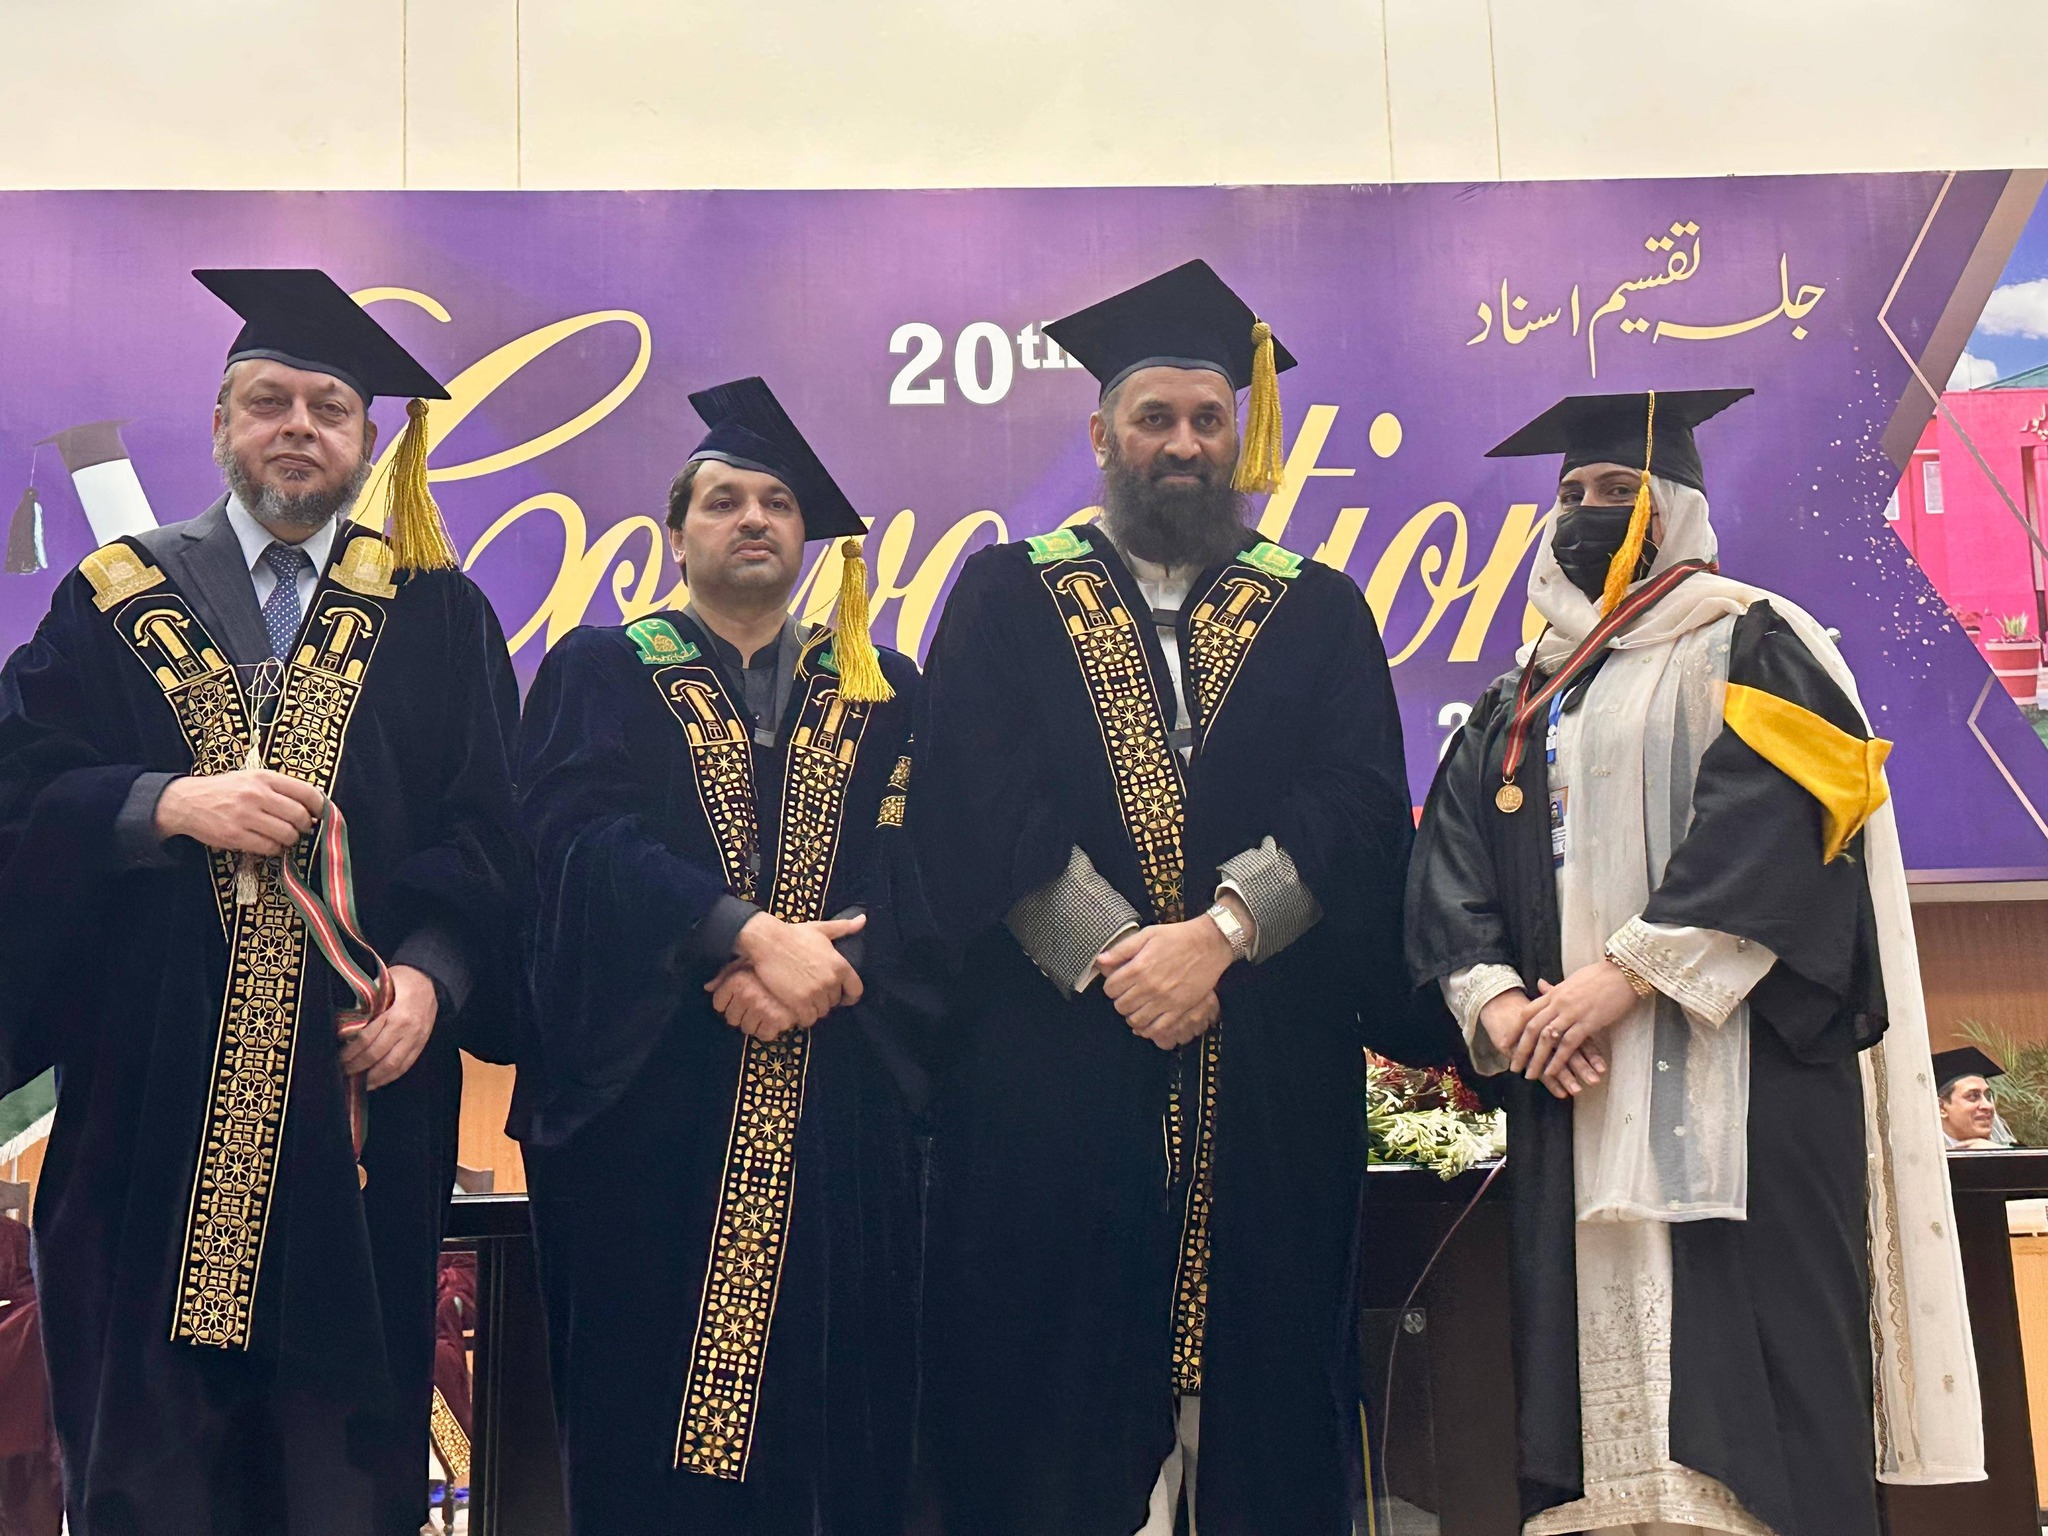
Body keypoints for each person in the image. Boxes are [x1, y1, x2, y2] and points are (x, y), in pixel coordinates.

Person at [914, 260, 1442, 1536]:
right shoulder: (1004, 593)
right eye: (1153, 419)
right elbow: (975, 804)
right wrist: (1119, 957)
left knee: (1266, 1392)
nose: (1184, 445)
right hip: (1052, 1075)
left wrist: (1218, 936)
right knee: (1049, 1403)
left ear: (1238, 436)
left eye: (1209, 420)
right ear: (1101, 435)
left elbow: (1357, 804)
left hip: (1266, 1076)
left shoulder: (1318, 609)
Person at [0, 269, 526, 1534]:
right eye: (270, 401)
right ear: (221, 423)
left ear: (367, 442)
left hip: (362, 1101)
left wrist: (433, 980)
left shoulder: (437, 614)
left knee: (342, 1462)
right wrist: (163, 804)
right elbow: (21, 786)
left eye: (329, 409)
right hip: (152, 1100)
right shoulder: (114, 597)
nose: (299, 427)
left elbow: (493, 834)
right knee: (152, 1463)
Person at [1407, 388, 1983, 1536]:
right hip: (1572, 1090)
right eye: (1571, 493)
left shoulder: (1754, 639)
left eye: (1615, 490)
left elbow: (1778, 825)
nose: (1585, 511)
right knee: (1588, 1432)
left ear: (1671, 504)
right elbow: (1449, 868)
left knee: (1764, 1392)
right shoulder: (1520, 698)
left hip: (1745, 1081)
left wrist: (1618, 978)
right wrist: (1504, 1005)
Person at [515, 377, 925, 1535]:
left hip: (840, 1110)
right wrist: (736, 935)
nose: (752, 519)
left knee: (834, 1423)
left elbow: (925, 867)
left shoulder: (883, 689)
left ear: (809, 537)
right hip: (651, 1109)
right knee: (643, 1415)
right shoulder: (601, 668)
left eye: (778, 503)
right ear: (674, 533)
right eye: (723, 500)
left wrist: (824, 971)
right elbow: (573, 840)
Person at [1934, 1045, 2011, 1148]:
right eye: (1972, 1097)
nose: (1987, 1106)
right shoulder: (1924, 1155)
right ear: (1941, 1108)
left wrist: (1996, 1154)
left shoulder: (2016, 1154)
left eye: (1988, 1096)